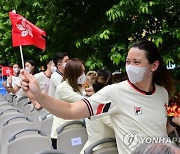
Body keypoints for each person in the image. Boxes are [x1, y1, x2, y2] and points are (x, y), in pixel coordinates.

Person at [20, 40, 180, 154]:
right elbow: (70, 110)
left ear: (154, 65)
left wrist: (173, 122)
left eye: (136, 62)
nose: (130, 67)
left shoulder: (162, 93)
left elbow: (159, 129)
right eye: (128, 61)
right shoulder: (115, 93)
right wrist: (39, 95)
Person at [51, 58, 86, 149]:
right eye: (81, 72)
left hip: (76, 129)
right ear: (74, 73)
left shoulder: (76, 86)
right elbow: (84, 102)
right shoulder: (63, 88)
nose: (84, 75)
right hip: (63, 132)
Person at [81, 69, 115, 153]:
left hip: (93, 148)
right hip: (103, 150)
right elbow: (116, 125)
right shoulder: (103, 104)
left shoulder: (91, 100)